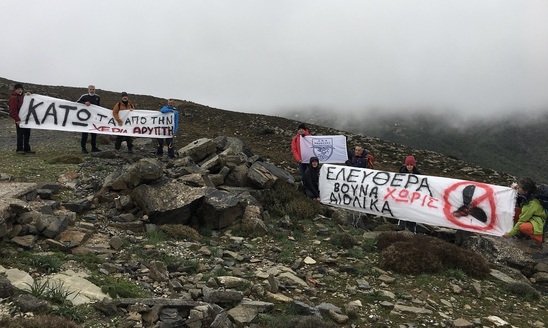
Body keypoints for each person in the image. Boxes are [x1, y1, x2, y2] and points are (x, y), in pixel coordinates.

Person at [503, 177, 547, 246]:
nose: (517, 187)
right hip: (531, 215)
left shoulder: (531, 203)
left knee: (523, 227)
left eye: (519, 187)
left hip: (539, 219)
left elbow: (522, 220)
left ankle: (539, 238)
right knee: (512, 211)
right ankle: (523, 234)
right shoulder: (528, 194)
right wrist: (515, 188)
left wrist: (510, 234)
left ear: (526, 191)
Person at [398, 156, 422, 232]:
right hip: (403, 196)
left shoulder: (419, 174)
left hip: (413, 197)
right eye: (408, 165)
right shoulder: (401, 173)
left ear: (414, 165)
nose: (409, 166)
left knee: (412, 212)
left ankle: (412, 229)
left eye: (411, 165)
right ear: (405, 165)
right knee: (402, 211)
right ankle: (401, 227)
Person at [9, 83, 35, 155]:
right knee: (20, 134)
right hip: (19, 119)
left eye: (21, 89)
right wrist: (17, 119)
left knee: (27, 133)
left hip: (26, 119)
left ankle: (27, 148)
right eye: (18, 89)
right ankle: (19, 149)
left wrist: (29, 95)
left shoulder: (23, 97)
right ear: (15, 90)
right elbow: (13, 110)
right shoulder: (13, 98)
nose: (20, 91)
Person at [76, 85, 101, 153]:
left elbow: (98, 107)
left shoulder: (97, 97)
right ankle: (83, 148)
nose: (92, 91)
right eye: (91, 89)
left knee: (94, 134)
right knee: (85, 134)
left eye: (93, 89)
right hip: (85, 119)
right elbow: (76, 103)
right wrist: (84, 103)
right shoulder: (84, 96)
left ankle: (93, 147)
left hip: (93, 118)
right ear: (88, 90)